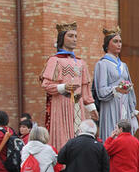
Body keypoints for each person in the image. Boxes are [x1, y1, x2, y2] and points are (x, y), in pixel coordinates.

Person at [41, 23, 98, 151]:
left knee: (80, 136)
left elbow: (85, 88)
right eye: (71, 36)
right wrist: (63, 87)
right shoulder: (55, 60)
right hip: (61, 104)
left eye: (76, 36)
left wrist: (91, 107)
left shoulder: (81, 62)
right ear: (62, 38)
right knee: (63, 138)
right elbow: (46, 84)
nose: (74, 39)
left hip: (78, 105)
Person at [92, 27, 138, 141]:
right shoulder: (102, 64)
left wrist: (133, 110)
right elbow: (101, 91)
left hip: (125, 105)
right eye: (115, 41)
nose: (119, 44)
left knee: (126, 136)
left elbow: (131, 90)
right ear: (107, 44)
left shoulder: (124, 65)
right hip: (110, 104)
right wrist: (116, 89)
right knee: (112, 133)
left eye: (120, 42)